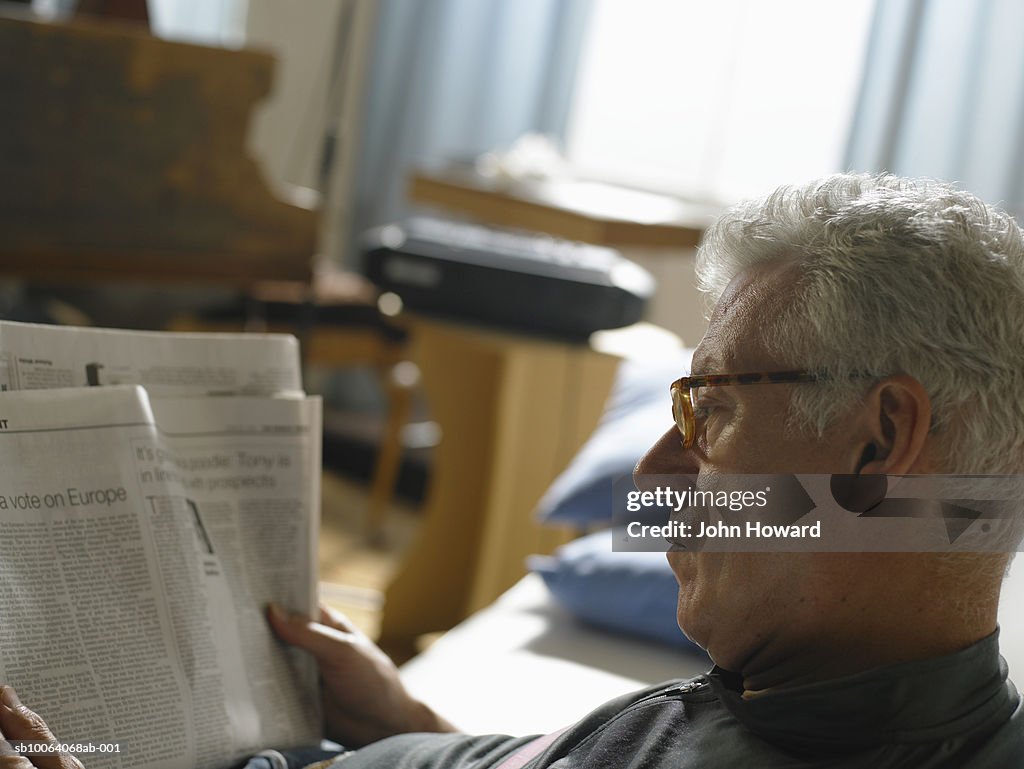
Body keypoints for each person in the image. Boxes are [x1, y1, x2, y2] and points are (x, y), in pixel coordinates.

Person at [3, 172, 1023, 768]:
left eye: (710, 408)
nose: (658, 471)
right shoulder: (836, 688)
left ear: (878, 446)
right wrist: (413, 727)